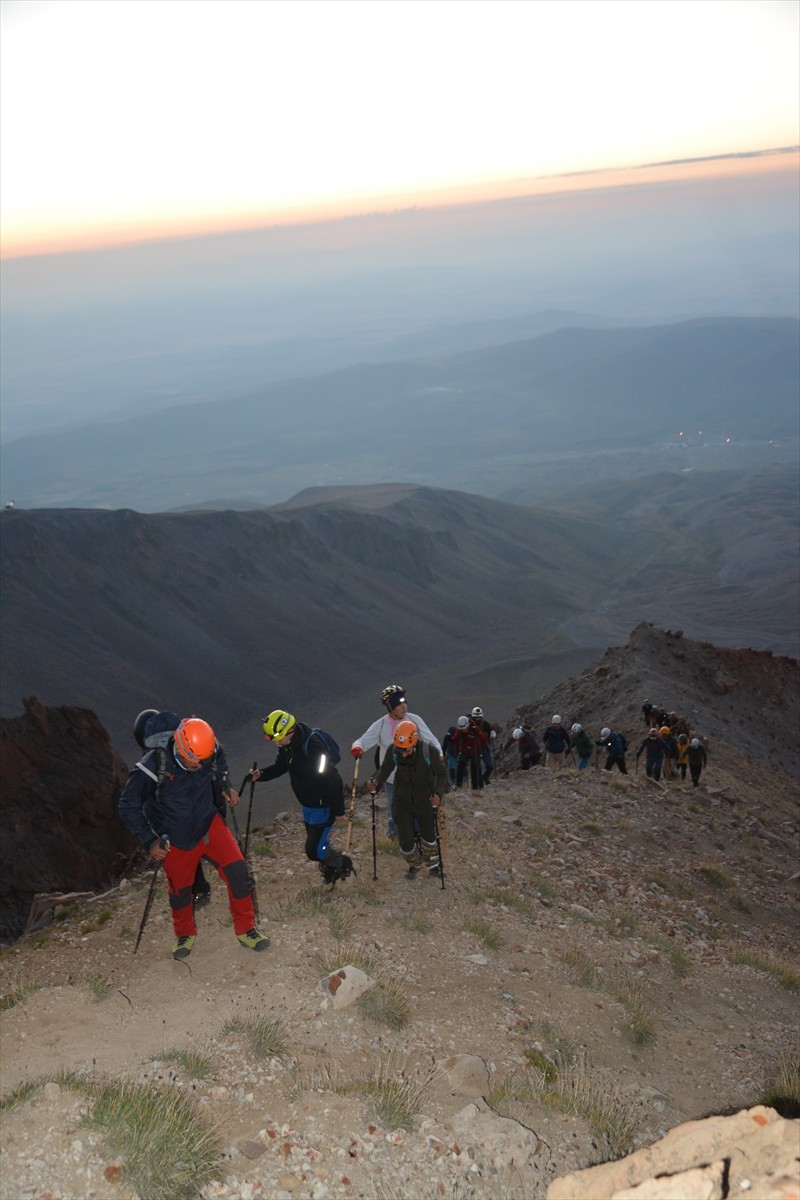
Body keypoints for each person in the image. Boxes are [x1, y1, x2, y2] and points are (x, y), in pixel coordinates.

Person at [119, 711, 269, 960]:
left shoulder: (207, 748)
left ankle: (247, 929)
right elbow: (127, 805)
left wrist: (223, 785)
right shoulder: (151, 767)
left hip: (208, 823)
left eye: (203, 759)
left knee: (239, 873)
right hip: (174, 838)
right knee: (180, 892)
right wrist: (149, 840)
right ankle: (184, 933)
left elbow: (219, 762)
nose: (200, 765)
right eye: (195, 762)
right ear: (180, 746)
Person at [250, 710, 353, 884]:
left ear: (290, 731)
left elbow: (332, 777)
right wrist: (261, 775)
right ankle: (330, 871)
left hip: (323, 805)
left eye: (277, 738)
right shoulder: (286, 746)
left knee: (313, 850)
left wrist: (338, 811)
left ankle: (344, 864)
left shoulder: (313, 746)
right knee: (318, 843)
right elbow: (280, 767)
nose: (276, 743)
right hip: (307, 804)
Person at [132, 707, 213, 911]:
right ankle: (197, 890)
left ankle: (191, 894)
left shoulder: (154, 763)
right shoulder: (161, 760)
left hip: (169, 822)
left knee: (182, 857)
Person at [350, 685, 441, 838]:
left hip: (417, 775)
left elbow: (430, 739)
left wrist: (438, 754)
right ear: (390, 706)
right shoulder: (380, 726)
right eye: (398, 704)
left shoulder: (415, 720)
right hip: (393, 778)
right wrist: (357, 747)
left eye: (404, 702)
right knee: (396, 809)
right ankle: (395, 835)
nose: (403, 706)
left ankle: (418, 835)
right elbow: (363, 740)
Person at [367, 719, 448, 880]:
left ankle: (434, 866)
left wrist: (438, 794)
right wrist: (375, 781)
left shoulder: (428, 751)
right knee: (405, 839)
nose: (403, 753)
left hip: (424, 799)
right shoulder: (394, 750)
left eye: (406, 749)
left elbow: (442, 775)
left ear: (415, 741)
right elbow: (385, 768)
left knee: (429, 835)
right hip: (401, 800)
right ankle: (414, 864)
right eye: (401, 749)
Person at [453, 714, 488, 789]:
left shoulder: (474, 727)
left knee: (475, 767)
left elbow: (483, 738)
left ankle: (476, 786)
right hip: (464, 750)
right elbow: (456, 738)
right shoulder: (460, 729)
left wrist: (476, 732)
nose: (463, 730)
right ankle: (458, 784)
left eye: (464, 728)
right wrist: (450, 738)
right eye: (461, 728)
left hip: (475, 750)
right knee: (460, 765)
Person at [470, 706, 496, 784]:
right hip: (474, 748)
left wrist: (492, 734)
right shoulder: (470, 725)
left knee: (490, 766)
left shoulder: (486, 724)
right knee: (477, 767)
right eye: (476, 717)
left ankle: (484, 778)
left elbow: (490, 732)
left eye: (479, 717)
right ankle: (478, 781)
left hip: (484, 747)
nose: (478, 718)